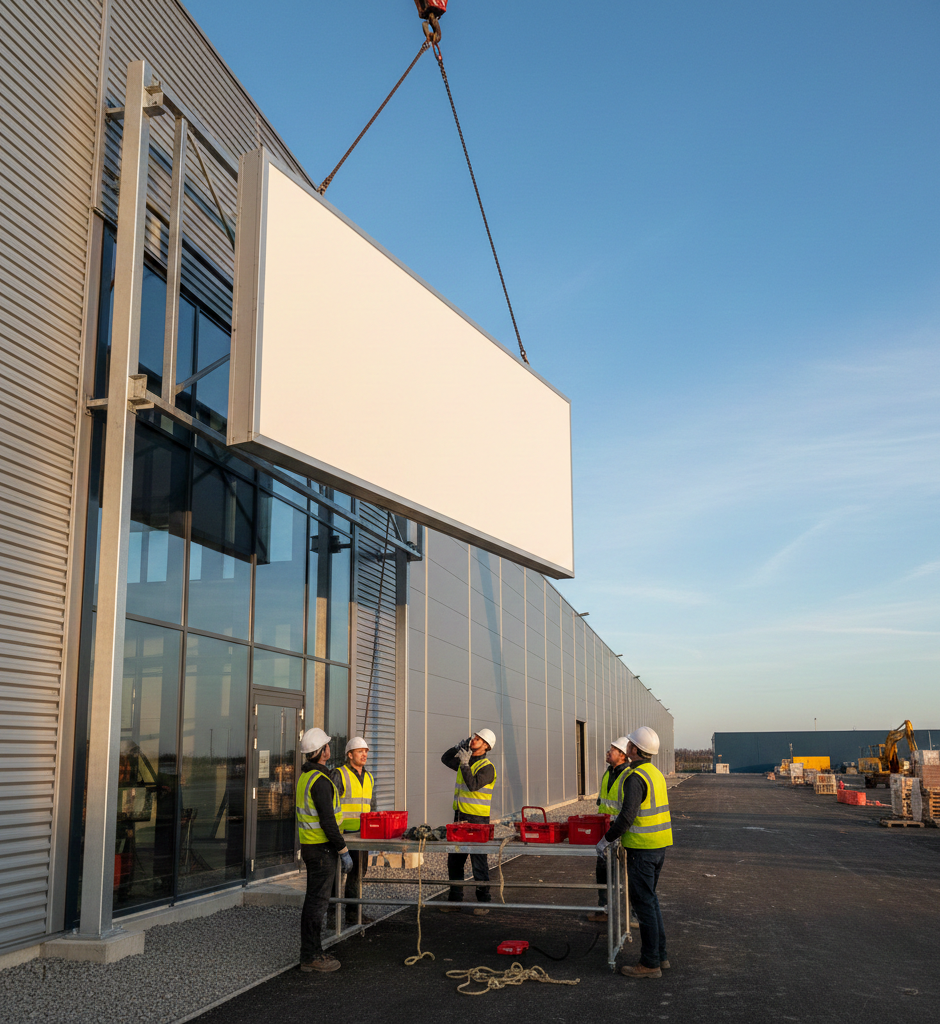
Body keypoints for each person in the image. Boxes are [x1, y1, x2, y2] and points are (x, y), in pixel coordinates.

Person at [595, 726, 673, 979]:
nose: (626, 748)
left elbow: (627, 817)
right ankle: (660, 956)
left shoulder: (635, 777)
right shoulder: (655, 774)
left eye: (629, 745)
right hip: (658, 846)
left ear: (635, 750)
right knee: (651, 901)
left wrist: (606, 839)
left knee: (644, 905)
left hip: (642, 848)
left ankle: (650, 964)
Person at [295, 727, 354, 973]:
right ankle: (310, 955)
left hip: (312, 847)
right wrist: (343, 850)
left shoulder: (307, 777)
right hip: (322, 850)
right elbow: (328, 822)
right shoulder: (320, 781)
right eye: (328, 746)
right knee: (317, 904)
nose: (331, 749)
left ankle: (312, 952)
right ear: (323, 752)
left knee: (314, 902)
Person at [440, 728, 498, 914]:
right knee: (455, 861)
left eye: (479, 739)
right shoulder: (465, 760)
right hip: (459, 818)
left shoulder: (487, 767)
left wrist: (464, 764)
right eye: (474, 736)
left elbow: (473, 786)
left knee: (478, 863)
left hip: (478, 821)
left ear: (486, 745)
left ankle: (484, 902)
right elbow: (445, 759)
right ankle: (454, 901)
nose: (474, 739)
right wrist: (457, 747)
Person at [587, 736, 631, 923]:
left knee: (626, 876)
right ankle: (605, 910)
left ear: (622, 755)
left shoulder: (628, 775)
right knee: (602, 872)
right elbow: (603, 804)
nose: (608, 752)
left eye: (612, 750)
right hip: (605, 832)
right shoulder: (608, 773)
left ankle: (632, 915)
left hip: (622, 832)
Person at [337, 736, 377, 923]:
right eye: (360, 751)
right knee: (337, 876)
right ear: (349, 755)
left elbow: (372, 807)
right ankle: (332, 916)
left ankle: (353, 914)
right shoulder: (339, 774)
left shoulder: (369, 777)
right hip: (343, 835)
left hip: (364, 835)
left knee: (358, 874)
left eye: (366, 751)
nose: (364, 754)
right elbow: (331, 805)